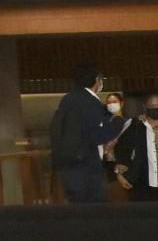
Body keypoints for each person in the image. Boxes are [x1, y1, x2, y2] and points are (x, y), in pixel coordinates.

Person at [50, 63, 129, 203]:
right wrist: (118, 120)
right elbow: (98, 135)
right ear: (97, 79)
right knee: (93, 209)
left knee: (77, 208)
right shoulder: (90, 102)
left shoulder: (68, 99)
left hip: (69, 167)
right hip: (87, 168)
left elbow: (55, 129)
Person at [114, 91, 158, 201]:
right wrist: (120, 173)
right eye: (153, 106)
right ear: (145, 107)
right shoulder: (135, 125)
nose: (156, 109)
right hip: (140, 184)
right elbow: (121, 149)